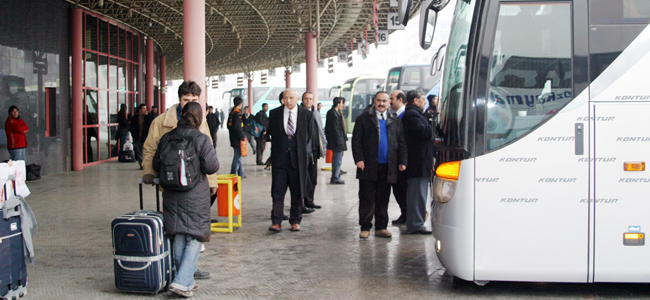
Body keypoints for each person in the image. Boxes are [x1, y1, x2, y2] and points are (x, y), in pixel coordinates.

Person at [141, 81, 218, 280]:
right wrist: (148, 171)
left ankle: (186, 271)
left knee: (184, 230)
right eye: (186, 100)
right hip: (172, 182)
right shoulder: (160, 122)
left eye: (193, 100)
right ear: (179, 99)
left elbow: (207, 152)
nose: (189, 104)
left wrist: (212, 181)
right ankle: (184, 276)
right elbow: (150, 149)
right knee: (183, 231)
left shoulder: (203, 122)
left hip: (194, 184)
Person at [352, 91, 407, 239]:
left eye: (384, 101)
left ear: (389, 102)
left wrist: (402, 161)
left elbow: (401, 142)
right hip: (368, 166)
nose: (381, 104)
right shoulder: (363, 119)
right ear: (374, 101)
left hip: (388, 166)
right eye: (378, 101)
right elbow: (356, 141)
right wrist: (359, 159)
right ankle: (365, 227)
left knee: (383, 198)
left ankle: (381, 227)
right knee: (366, 198)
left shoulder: (395, 120)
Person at [267, 89, 314, 232]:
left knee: (297, 191)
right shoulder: (274, 114)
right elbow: (272, 134)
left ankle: (295, 220)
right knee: (277, 191)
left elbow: (308, 136)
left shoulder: (307, 115)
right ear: (282, 100)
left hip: (298, 160)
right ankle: (276, 221)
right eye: (285, 98)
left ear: (297, 99)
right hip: (280, 160)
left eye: (291, 98)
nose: (288, 100)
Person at [402, 90, 434, 235]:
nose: (425, 102)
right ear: (415, 100)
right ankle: (416, 224)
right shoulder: (412, 115)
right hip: (417, 162)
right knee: (417, 194)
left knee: (419, 193)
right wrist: (433, 123)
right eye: (423, 99)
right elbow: (424, 133)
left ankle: (417, 223)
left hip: (420, 161)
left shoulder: (416, 114)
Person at [301, 92, 326, 211]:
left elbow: (321, 131)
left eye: (310, 99)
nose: (308, 101)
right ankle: (302, 202)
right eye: (306, 99)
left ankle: (310, 201)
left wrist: (324, 147)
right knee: (304, 178)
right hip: (303, 151)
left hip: (314, 150)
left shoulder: (316, 113)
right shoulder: (299, 113)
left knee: (313, 177)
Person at [388, 90, 409, 224]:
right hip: (393, 158)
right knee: (397, 189)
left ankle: (408, 213)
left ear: (400, 99)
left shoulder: (406, 115)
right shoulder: (394, 115)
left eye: (392, 98)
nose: (390, 101)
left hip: (402, 159)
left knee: (402, 189)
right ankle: (405, 212)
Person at [325, 97, 347, 184]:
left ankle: (336, 175)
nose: (343, 105)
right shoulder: (333, 114)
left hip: (337, 140)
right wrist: (340, 141)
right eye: (343, 103)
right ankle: (335, 177)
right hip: (336, 141)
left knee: (337, 159)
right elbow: (336, 129)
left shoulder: (336, 112)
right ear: (339, 103)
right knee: (337, 160)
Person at [227, 97, 246, 178]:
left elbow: (228, 125)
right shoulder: (237, 114)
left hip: (233, 137)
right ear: (240, 104)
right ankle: (233, 173)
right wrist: (242, 136)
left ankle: (241, 174)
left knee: (238, 155)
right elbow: (237, 128)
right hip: (237, 138)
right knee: (237, 156)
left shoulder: (232, 112)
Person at [129, 104, 148, 169]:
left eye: (146, 108)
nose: (145, 110)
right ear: (140, 109)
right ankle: (142, 164)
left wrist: (147, 116)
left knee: (145, 151)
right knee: (139, 150)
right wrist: (133, 134)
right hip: (137, 136)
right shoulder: (135, 117)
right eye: (143, 108)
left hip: (145, 136)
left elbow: (151, 123)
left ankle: (146, 164)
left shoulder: (147, 117)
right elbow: (132, 127)